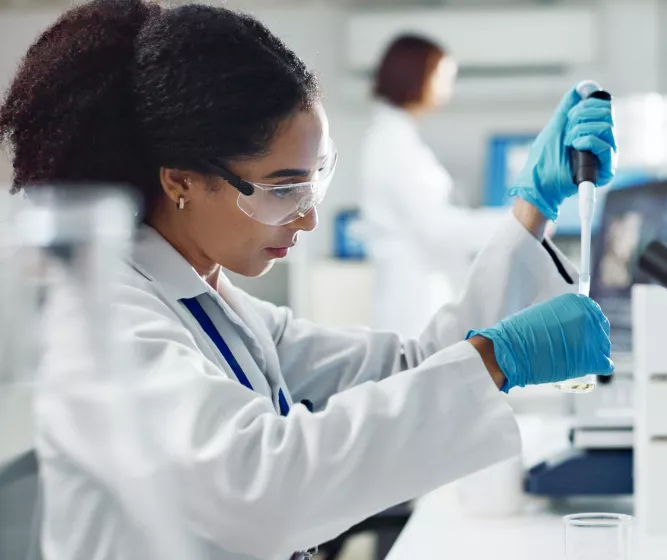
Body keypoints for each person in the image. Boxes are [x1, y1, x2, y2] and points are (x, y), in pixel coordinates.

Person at [0, 1, 617, 559]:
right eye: (283, 188)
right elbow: (263, 490)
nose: (310, 215)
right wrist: (494, 360)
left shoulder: (209, 298)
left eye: (316, 178)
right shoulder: (105, 323)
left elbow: (413, 363)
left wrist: (532, 207)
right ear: (181, 180)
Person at [361, 35, 507, 338]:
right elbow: (438, 228)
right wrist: (517, 220)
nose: (448, 87)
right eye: (442, 75)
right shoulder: (393, 143)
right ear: (416, 75)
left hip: (419, 287)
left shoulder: (398, 136)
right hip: (412, 296)